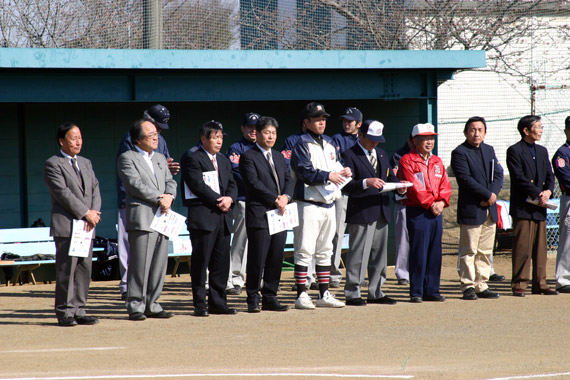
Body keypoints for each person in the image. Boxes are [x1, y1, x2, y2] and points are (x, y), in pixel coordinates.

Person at [290, 101, 352, 309]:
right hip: (307, 203)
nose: (322, 122)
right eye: (317, 119)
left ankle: (324, 294)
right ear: (306, 122)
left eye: (324, 118)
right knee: (304, 250)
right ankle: (301, 295)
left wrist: (344, 171)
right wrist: (329, 175)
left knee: (326, 250)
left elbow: (337, 164)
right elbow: (304, 171)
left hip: (329, 203)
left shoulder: (330, 142)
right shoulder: (300, 143)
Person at [116, 104, 179, 301]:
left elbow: (168, 178)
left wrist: (169, 195)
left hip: (162, 210)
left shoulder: (159, 151)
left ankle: (153, 302)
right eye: (153, 129)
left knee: (159, 261)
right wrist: (161, 197)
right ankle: (134, 298)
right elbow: (134, 182)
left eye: (159, 131)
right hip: (139, 208)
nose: (157, 134)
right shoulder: (129, 148)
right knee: (137, 258)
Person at [44, 122, 102, 327]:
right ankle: (64, 311)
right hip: (68, 225)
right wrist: (86, 213)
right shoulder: (53, 163)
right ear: (62, 141)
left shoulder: (86, 162)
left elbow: (95, 188)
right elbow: (62, 194)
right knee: (67, 270)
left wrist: (94, 213)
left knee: (84, 269)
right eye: (73, 138)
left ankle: (79, 309)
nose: (78, 142)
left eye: (80, 137)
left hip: (86, 226)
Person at [341, 120, 402, 306]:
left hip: (381, 210)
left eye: (378, 140)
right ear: (360, 135)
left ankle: (376, 291)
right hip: (361, 210)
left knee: (379, 255)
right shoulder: (348, 155)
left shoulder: (382, 154)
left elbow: (390, 178)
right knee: (358, 253)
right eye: (371, 139)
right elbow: (345, 184)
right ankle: (353, 292)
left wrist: (399, 186)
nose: (375, 143)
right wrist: (365, 182)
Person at [181, 121, 238, 317]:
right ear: (204, 138)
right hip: (203, 217)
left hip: (223, 217)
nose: (219, 141)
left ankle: (218, 302)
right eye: (215, 137)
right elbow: (197, 185)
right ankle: (200, 304)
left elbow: (232, 183)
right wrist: (218, 200)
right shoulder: (192, 157)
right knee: (201, 262)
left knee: (221, 263)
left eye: (221, 137)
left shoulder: (223, 160)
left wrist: (230, 198)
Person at [240, 116, 293, 312]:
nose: (270, 137)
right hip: (260, 214)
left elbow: (288, 179)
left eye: (273, 133)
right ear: (258, 134)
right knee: (258, 257)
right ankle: (252, 296)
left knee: (276, 257)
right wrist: (275, 199)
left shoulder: (279, 156)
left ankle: (270, 296)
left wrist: (286, 196)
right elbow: (253, 184)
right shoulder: (248, 156)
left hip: (280, 213)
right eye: (267, 132)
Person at [397, 123, 451, 303]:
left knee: (435, 251)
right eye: (425, 138)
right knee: (419, 251)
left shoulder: (437, 161)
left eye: (431, 138)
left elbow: (445, 184)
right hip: (418, 211)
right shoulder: (407, 160)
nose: (429, 141)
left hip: (436, 211)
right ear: (415, 140)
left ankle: (432, 290)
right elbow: (414, 187)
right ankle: (417, 291)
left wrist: (442, 202)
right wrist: (431, 203)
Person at [451, 116, 503, 300]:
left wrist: (493, 195)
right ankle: (468, 285)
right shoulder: (459, 152)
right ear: (466, 132)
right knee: (469, 249)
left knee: (485, 250)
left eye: (480, 130)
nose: (476, 133)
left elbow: (498, 173)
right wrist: (486, 195)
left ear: (485, 132)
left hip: (490, 208)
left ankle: (482, 284)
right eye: (472, 130)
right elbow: (465, 179)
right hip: (472, 207)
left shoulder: (489, 150)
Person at [507, 115, 558, 297]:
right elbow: (518, 178)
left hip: (540, 206)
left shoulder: (543, 151)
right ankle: (519, 284)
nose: (541, 130)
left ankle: (540, 283)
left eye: (541, 126)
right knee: (522, 246)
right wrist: (537, 193)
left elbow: (549, 175)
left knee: (540, 248)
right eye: (537, 127)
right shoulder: (514, 150)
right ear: (526, 131)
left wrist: (548, 192)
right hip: (523, 206)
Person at [226, 112, 260, 295]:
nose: (253, 130)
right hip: (244, 200)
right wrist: (259, 185)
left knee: (261, 241)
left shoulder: (264, 148)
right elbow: (236, 173)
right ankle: (236, 278)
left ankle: (257, 278)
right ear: (243, 128)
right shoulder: (236, 148)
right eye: (250, 127)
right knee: (241, 240)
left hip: (263, 202)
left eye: (256, 127)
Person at [329, 107, 363, 288]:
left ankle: (356, 273)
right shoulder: (336, 139)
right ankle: (333, 274)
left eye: (350, 121)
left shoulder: (364, 138)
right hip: (342, 192)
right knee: (337, 233)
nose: (346, 123)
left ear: (359, 124)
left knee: (360, 235)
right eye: (344, 120)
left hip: (361, 192)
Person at [390, 135, 413, 286]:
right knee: (403, 240)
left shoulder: (430, 157)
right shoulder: (398, 156)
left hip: (423, 203)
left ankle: (419, 271)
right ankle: (403, 273)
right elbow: (394, 179)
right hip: (404, 201)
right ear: (410, 139)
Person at [552, 116, 570, 293]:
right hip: (569, 197)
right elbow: (565, 176)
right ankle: (563, 279)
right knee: (568, 240)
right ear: (566, 131)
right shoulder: (562, 153)